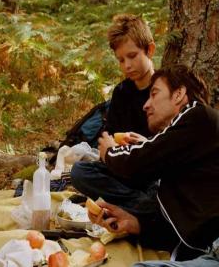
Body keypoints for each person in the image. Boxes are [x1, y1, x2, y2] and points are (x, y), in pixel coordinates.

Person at [91, 65, 219, 265]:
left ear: (178, 94)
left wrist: (109, 152)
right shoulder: (184, 150)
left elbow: (135, 162)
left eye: (154, 94)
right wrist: (135, 224)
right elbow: (181, 230)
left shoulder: (198, 115)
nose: (146, 105)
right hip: (205, 250)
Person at [70, 14, 157, 215]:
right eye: (121, 60)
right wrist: (109, 145)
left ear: (149, 50)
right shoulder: (122, 92)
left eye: (132, 56)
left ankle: (140, 206)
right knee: (79, 172)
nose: (127, 65)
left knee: (161, 185)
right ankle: (141, 205)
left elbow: (174, 144)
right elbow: (108, 135)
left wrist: (146, 145)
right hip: (124, 170)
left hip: (153, 170)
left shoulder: (164, 89)